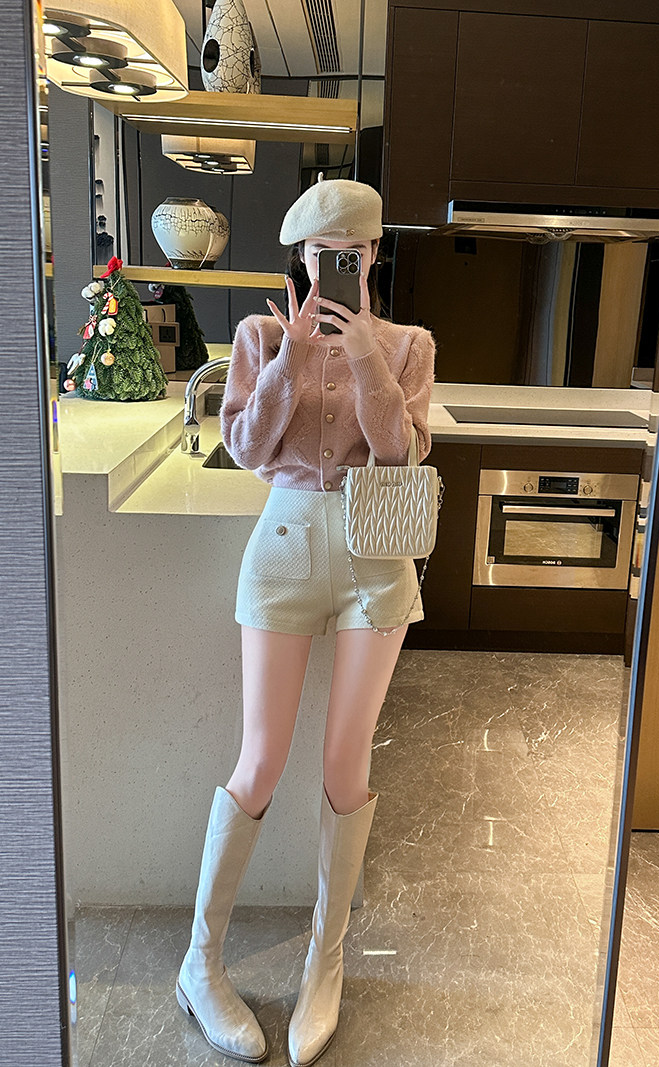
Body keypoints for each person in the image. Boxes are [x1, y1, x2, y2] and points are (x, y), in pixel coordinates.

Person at [175, 177, 436, 1066]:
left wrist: (364, 356)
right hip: (283, 547)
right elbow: (248, 448)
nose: (336, 270)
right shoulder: (259, 337)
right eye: (323, 257)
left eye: (351, 255)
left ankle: (326, 965)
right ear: (300, 259)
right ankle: (199, 963)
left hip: (376, 557)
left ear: (373, 255)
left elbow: (401, 454)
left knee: (344, 765)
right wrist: (291, 355)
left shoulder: (407, 346)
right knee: (260, 760)